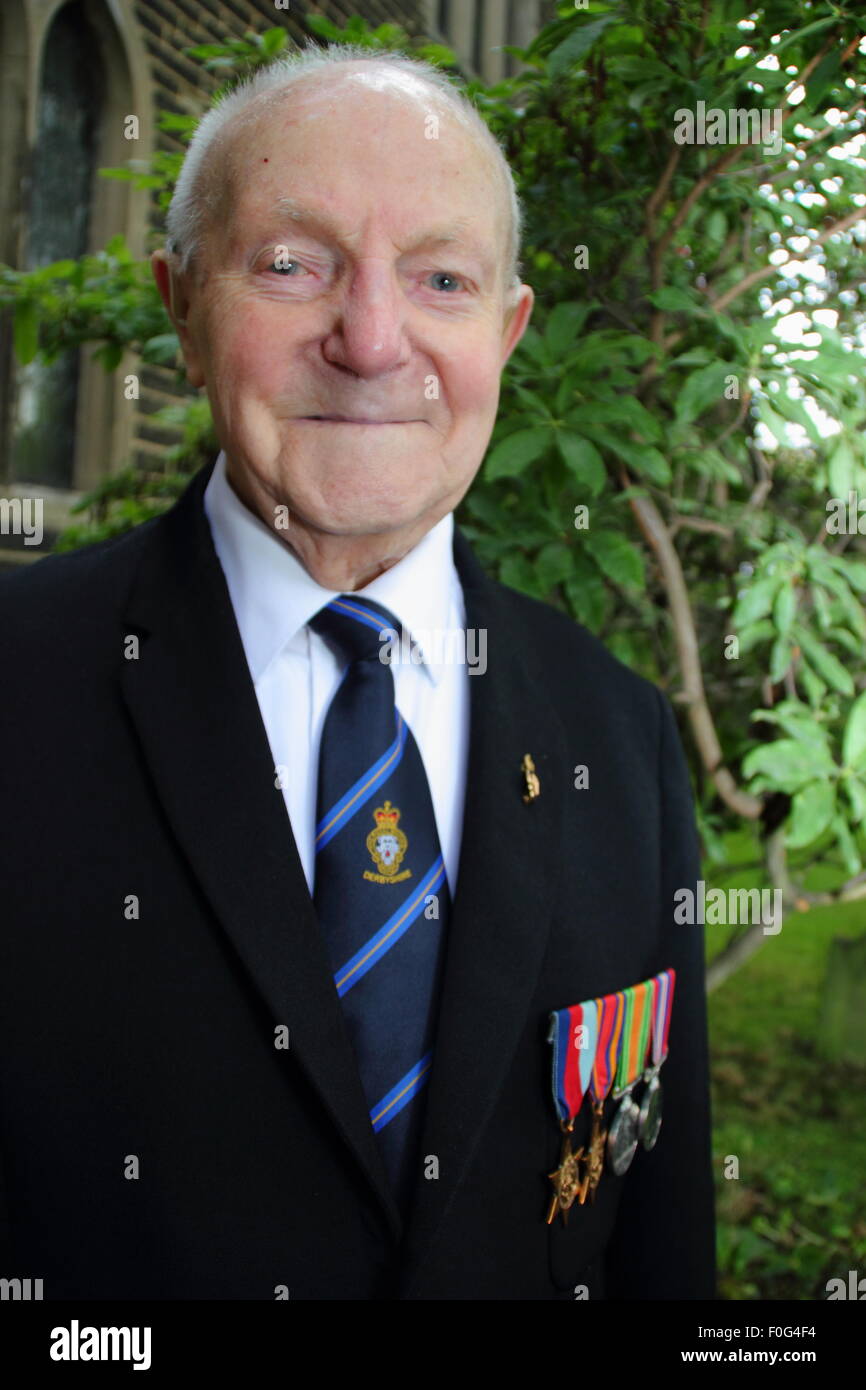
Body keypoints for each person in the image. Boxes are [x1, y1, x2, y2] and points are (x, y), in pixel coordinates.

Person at [0, 46, 715, 1300]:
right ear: (179, 300)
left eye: (438, 278)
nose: (373, 339)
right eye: (291, 264)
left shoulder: (620, 730)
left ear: (503, 332)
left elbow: (659, 1243)